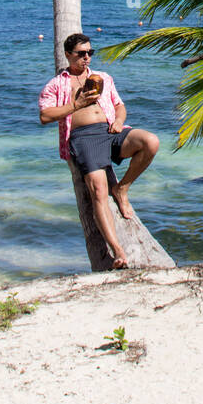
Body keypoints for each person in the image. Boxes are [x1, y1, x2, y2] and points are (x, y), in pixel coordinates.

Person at [39, 33, 159, 269]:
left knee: (150, 142)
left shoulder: (102, 77)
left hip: (112, 131)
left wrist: (119, 120)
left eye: (90, 53)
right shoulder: (57, 84)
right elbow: (44, 115)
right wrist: (77, 105)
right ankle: (118, 251)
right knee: (98, 191)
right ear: (67, 55)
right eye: (81, 54)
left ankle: (122, 187)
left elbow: (119, 105)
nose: (87, 58)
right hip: (84, 138)